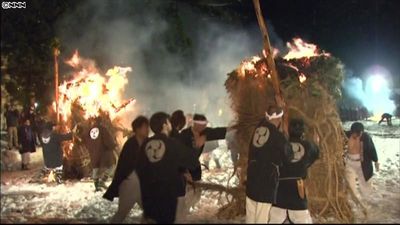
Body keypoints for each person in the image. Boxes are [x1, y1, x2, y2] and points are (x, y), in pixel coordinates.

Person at [136, 112, 202, 223]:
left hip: (149, 196)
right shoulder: (173, 144)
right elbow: (192, 162)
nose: (171, 125)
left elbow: (138, 168)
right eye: (169, 122)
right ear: (165, 125)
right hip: (170, 197)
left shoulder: (144, 145)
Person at [246, 106, 293, 223]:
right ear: (278, 119)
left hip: (252, 176)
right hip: (266, 178)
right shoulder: (277, 135)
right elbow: (289, 155)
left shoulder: (257, 130)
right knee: (262, 216)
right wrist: (285, 134)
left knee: (251, 214)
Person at [269, 119, 320, 223]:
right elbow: (315, 155)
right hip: (297, 186)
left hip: (280, 185)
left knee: (275, 218)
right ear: (303, 132)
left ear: (289, 130)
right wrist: (316, 143)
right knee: (302, 218)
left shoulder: (281, 144)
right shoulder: (309, 145)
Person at [103, 116, 150, 223]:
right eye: (145, 127)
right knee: (122, 213)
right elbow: (123, 166)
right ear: (137, 129)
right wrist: (117, 183)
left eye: (148, 127)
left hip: (143, 185)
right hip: (129, 184)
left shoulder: (148, 143)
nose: (147, 130)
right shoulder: (130, 145)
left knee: (150, 213)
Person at [345, 122, 379, 204]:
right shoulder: (346, 135)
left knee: (365, 184)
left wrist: (376, 161)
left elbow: (372, 150)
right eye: (354, 133)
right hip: (350, 163)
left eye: (358, 133)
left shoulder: (366, 138)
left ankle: (367, 200)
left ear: (361, 132)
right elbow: (337, 132)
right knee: (350, 185)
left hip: (363, 164)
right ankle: (354, 202)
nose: (356, 135)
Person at [83, 116, 118, 192]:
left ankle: (96, 186)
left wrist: (90, 149)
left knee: (95, 168)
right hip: (103, 153)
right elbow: (108, 141)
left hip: (94, 153)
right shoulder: (103, 129)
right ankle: (102, 181)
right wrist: (113, 145)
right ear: (100, 121)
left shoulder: (88, 130)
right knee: (112, 165)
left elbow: (85, 141)